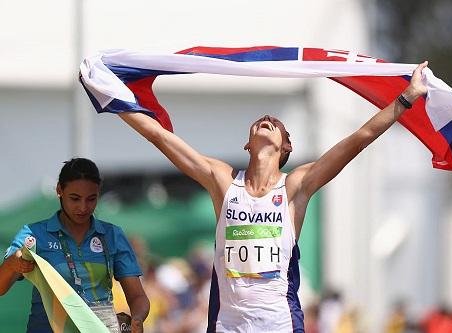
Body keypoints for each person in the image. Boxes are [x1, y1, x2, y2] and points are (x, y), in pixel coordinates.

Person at [112, 61, 429, 332]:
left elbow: (359, 139)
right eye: (261, 122)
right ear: (247, 144)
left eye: (277, 124)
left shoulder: (296, 187)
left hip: (278, 323)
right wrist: (110, 94)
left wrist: (406, 98)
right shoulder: (222, 181)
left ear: (285, 147)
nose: (268, 120)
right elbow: (159, 136)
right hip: (228, 323)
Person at [0, 158, 150, 333]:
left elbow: (138, 296)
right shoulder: (34, 234)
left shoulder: (113, 235)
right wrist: (12, 264)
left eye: (91, 199)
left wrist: (138, 318)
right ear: (59, 191)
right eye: (75, 198)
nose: (83, 207)